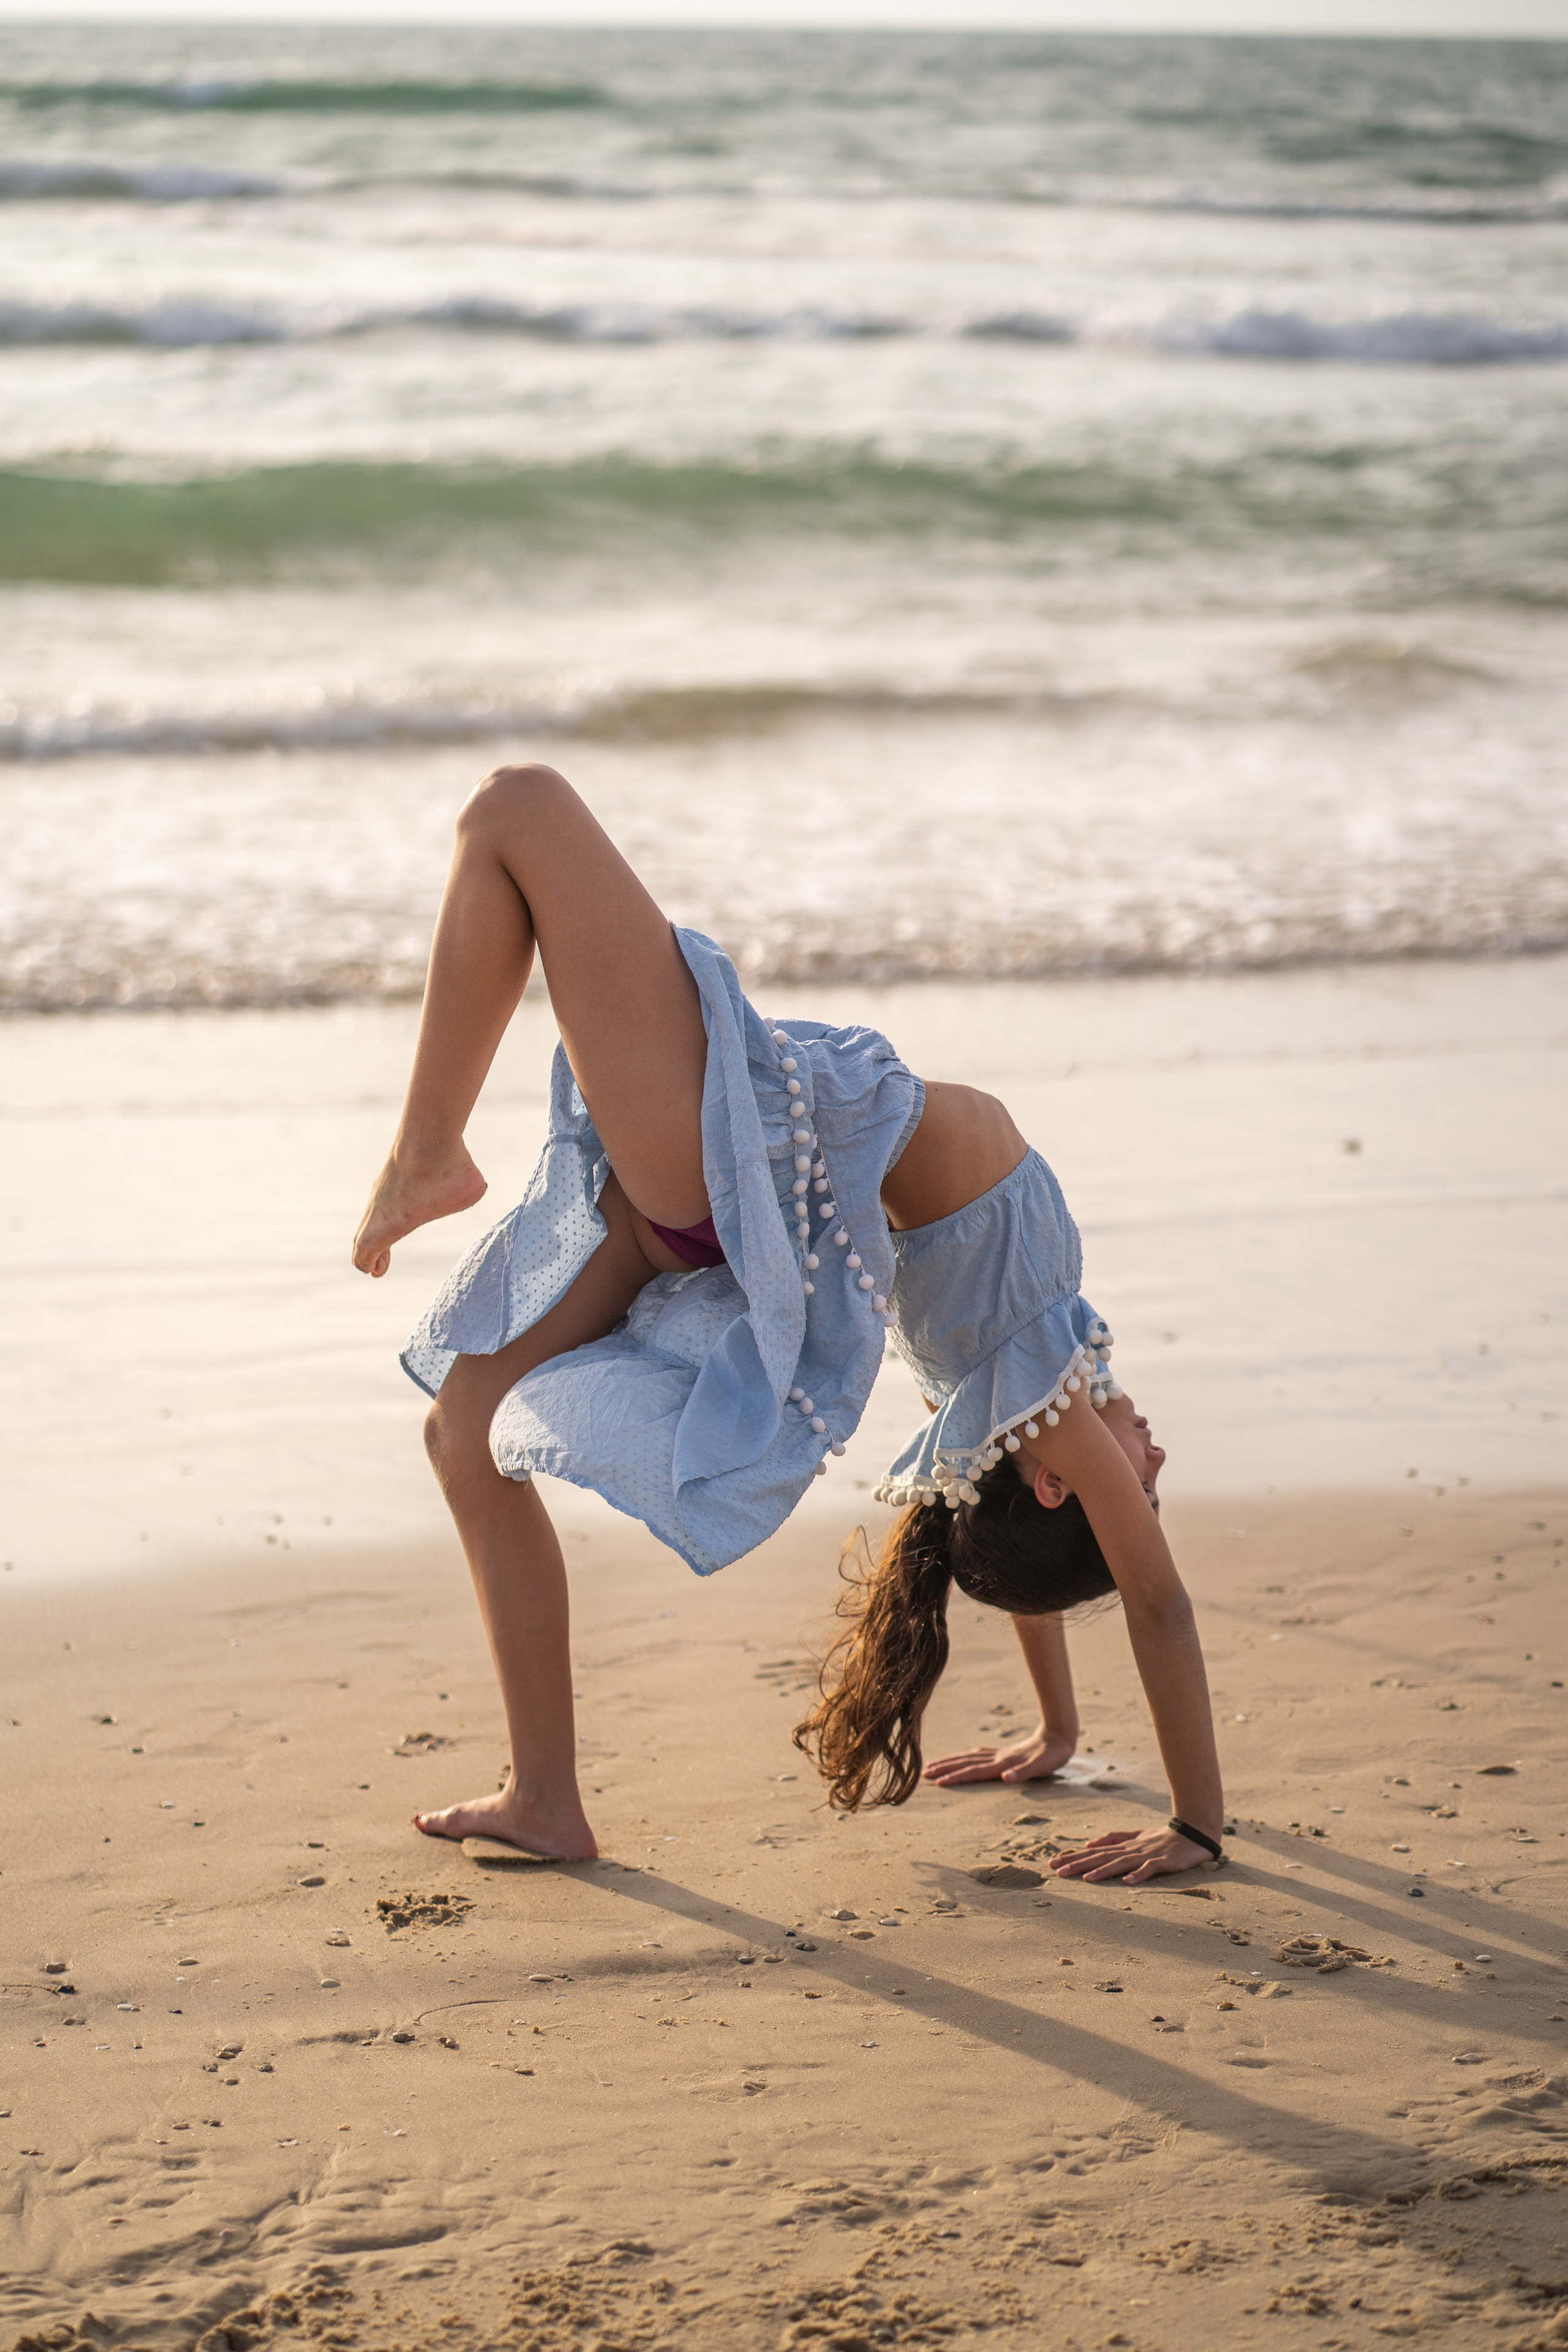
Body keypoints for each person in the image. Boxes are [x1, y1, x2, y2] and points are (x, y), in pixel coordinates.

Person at [352, 764, 1226, 1887]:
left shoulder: (1045, 1397)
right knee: (461, 1433)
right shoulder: (1011, 1392)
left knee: (517, 810)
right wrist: (1053, 1736)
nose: (1152, 1462)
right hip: (709, 1200)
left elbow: (1157, 1599)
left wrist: (1196, 1826)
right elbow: (997, 1519)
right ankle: (546, 1799)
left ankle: (427, 1149)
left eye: (1139, 1486)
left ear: (1065, 1482)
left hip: (739, 1153)